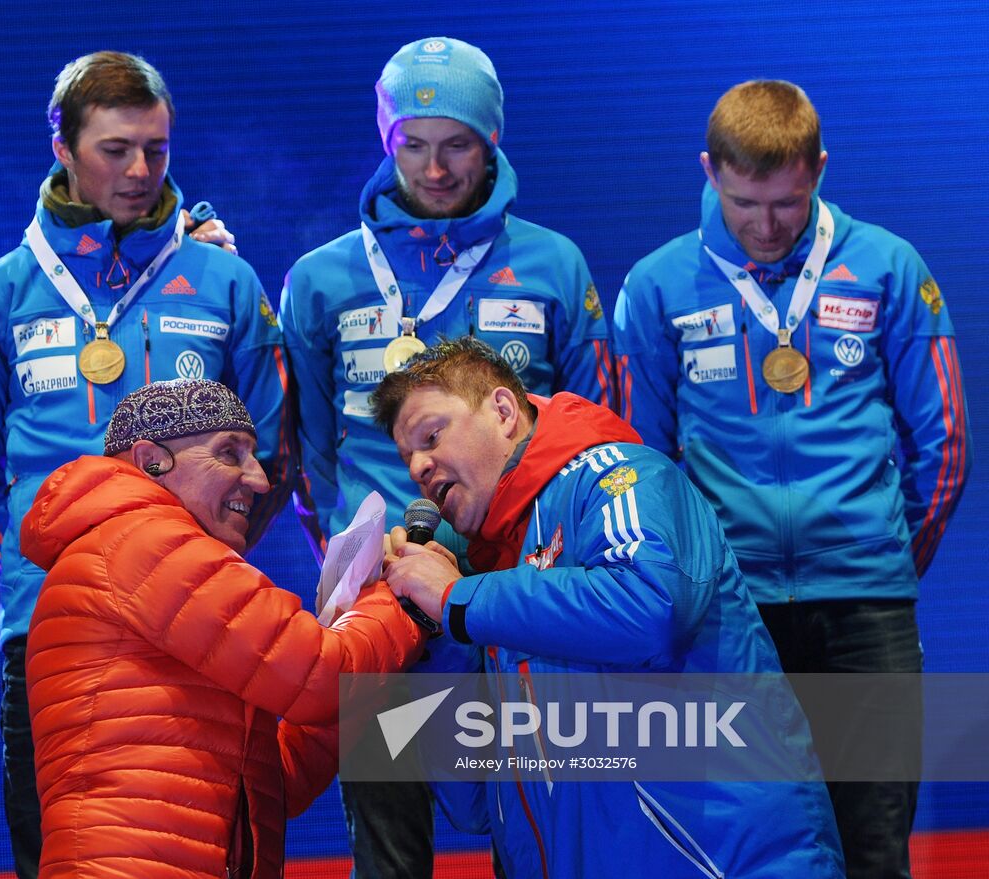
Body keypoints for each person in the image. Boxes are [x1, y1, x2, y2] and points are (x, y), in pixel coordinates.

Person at [611, 80, 971, 878]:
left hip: (865, 609)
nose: (765, 226)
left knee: (874, 845)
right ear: (709, 171)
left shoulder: (887, 266)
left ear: (818, 170)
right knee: (739, 847)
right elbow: (643, 465)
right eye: (744, 202)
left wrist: (881, 558)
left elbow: (943, 444)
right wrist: (696, 582)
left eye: (786, 202)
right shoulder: (657, 285)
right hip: (728, 616)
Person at [0, 51, 292, 879]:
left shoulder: (227, 280)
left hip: (203, 621)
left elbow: (272, 455)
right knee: (63, 853)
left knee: (206, 846)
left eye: (158, 150)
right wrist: (69, 573)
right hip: (50, 628)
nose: (140, 171)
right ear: (61, 146)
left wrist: (198, 566)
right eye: (115, 149)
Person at [279, 36, 612, 877]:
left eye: (457, 143)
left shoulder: (552, 264)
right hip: (381, 611)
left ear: (493, 139)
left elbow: (597, 428)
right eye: (411, 144)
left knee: (538, 839)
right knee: (389, 850)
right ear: (385, 140)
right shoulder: (322, 280)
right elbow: (312, 446)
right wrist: (363, 557)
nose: (434, 168)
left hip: (516, 601)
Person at [375, 336, 844, 878]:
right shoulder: (493, 571)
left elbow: (652, 606)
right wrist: (433, 639)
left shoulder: (616, 475)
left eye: (432, 436)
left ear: (503, 411)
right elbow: (475, 804)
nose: (419, 467)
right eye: (408, 458)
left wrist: (457, 599)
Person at [19, 379, 425, 879]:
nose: (257, 479)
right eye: (229, 454)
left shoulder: (132, 549)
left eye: (253, 456)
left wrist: (352, 685)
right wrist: (401, 595)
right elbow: (323, 675)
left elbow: (267, 787)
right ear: (151, 461)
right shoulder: (141, 540)